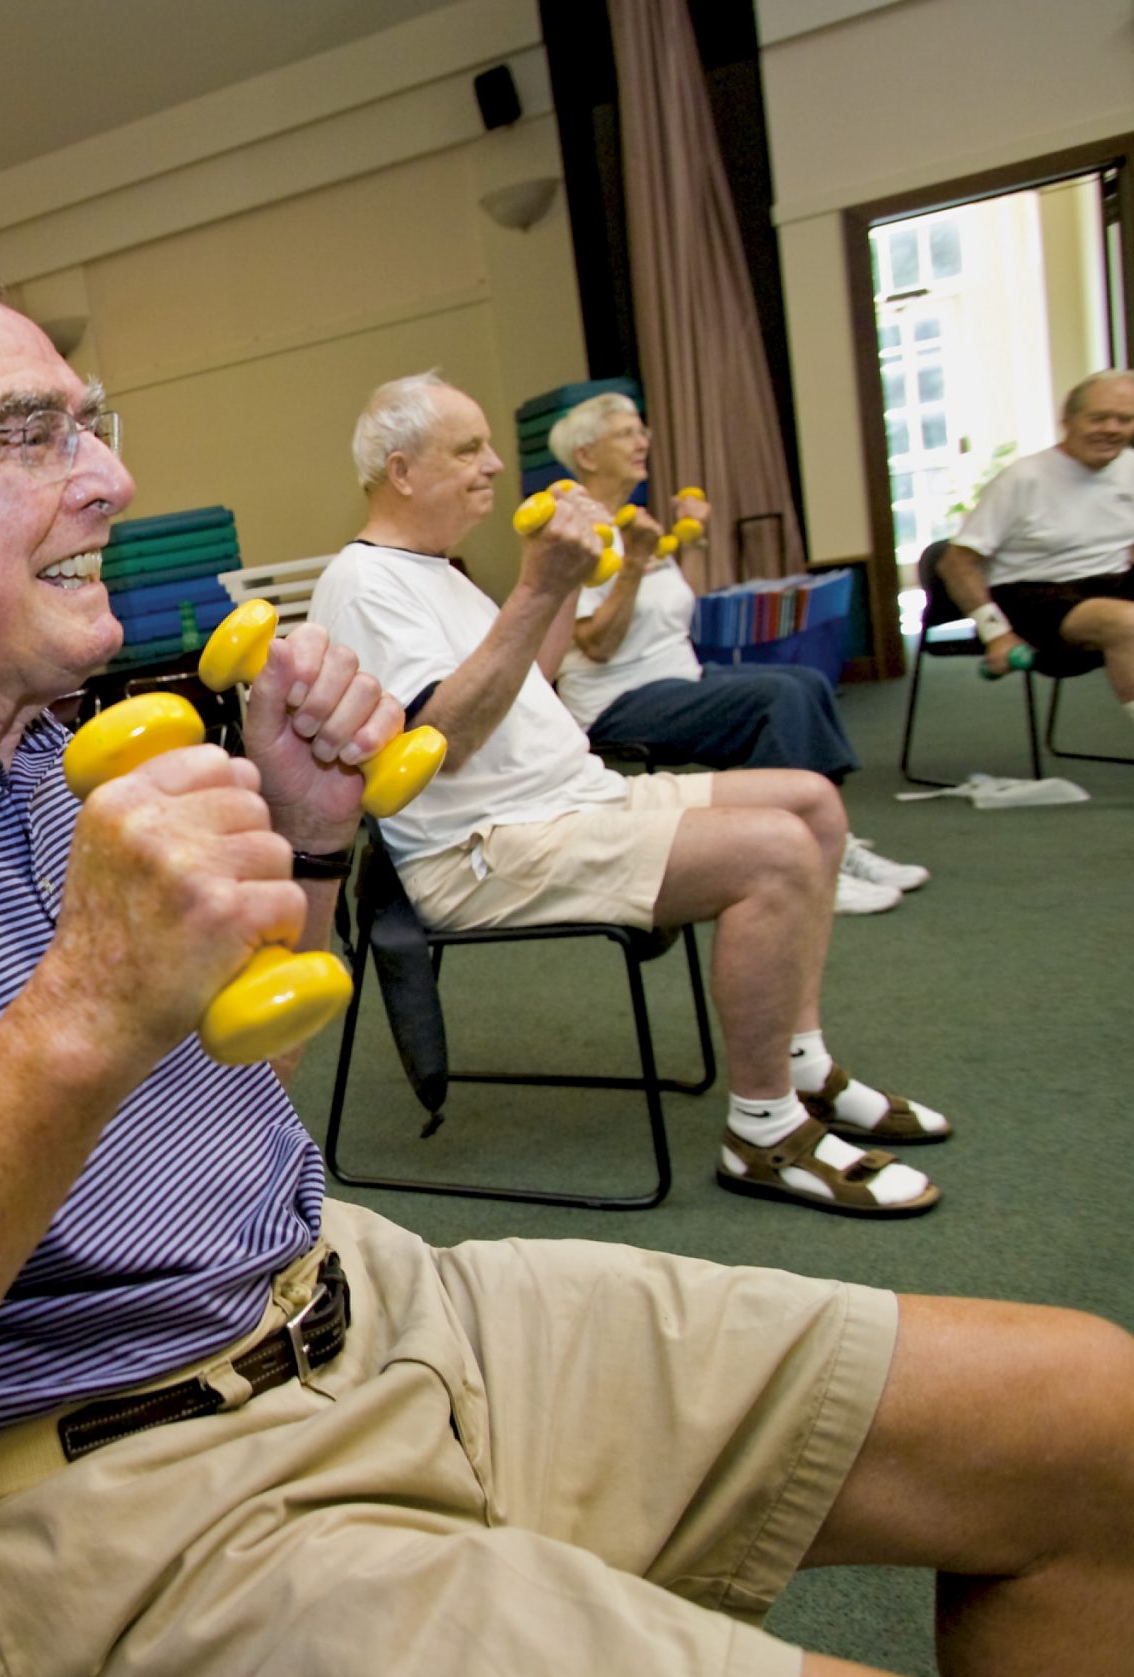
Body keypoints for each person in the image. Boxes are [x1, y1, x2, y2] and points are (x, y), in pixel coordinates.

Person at [0, 264, 1134, 1677]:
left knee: (1096, 1419)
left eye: (94, 423)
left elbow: (220, 1129)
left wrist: (295, 843)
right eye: (29, 433)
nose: (111, 477)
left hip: (369, 1302)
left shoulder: (58, 750)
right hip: (109, 1481)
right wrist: (80, 1011)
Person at [316, 373, 953, 1213]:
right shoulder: (363, 584)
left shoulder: (438, 572)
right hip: (484, 850)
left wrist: (566, 579)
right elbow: (447, 746)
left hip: (575, 801)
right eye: (469, 448)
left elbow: (534, 678)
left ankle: (801, 1064)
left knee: (810, 801)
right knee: (774, 852)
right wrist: (539, 587)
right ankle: (763, 1132)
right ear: (401, 471)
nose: (495, 464)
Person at [540, 392, 926, 911]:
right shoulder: (580, 532)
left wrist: (693, 540)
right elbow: (598, 645)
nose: (643, 442)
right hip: (616, 702)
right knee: (774, 699)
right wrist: (632, 564)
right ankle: (807, 860)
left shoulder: (635, 520)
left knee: (806, 681)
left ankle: (831, 840)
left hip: (680, 680)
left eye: (642, 431)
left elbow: (682, 610)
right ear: (586, 455)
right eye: (626, 433)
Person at [936, 369, 1134, 807]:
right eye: (1099, 418)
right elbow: (956, 561)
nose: (1112, 429)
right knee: (1127, 620)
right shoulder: (1023, 478)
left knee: (1133, 610)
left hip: (1112, 580)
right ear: (1069, 419)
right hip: (1032, 594)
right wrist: (995, 633)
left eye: (1125, 419)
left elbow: (1130, 544)